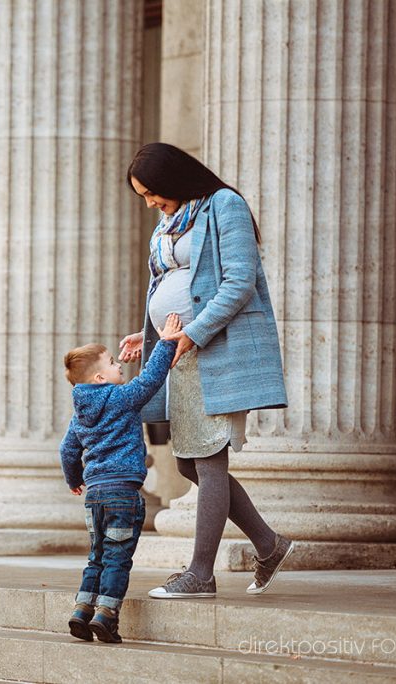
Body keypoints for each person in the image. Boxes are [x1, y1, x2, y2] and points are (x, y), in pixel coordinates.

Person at [118, 142, 294, 599]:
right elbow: (171, 285)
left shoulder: (223, 206)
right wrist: (151, 334)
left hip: (216, 350)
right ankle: (269, 544)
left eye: (154, 193)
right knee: (188, 461)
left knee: (208, 456)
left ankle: (201, 573)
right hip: (179, 352)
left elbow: (240, 280)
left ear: (176, 179)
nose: (151, 203)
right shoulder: (172, 220)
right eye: (144, 197)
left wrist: (193, 333)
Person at [59, 313, 181, 644]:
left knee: (97, 554)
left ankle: (82, 610)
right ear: (100, 377)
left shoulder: (80, 415)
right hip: (123, 493)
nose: (119, 367)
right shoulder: (121, 398)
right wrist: (167, 341)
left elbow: (68, 451)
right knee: (117, 555)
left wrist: (74, 479)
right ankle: (107, 615)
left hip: (94, 494)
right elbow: (152, 378)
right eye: (113, 363)